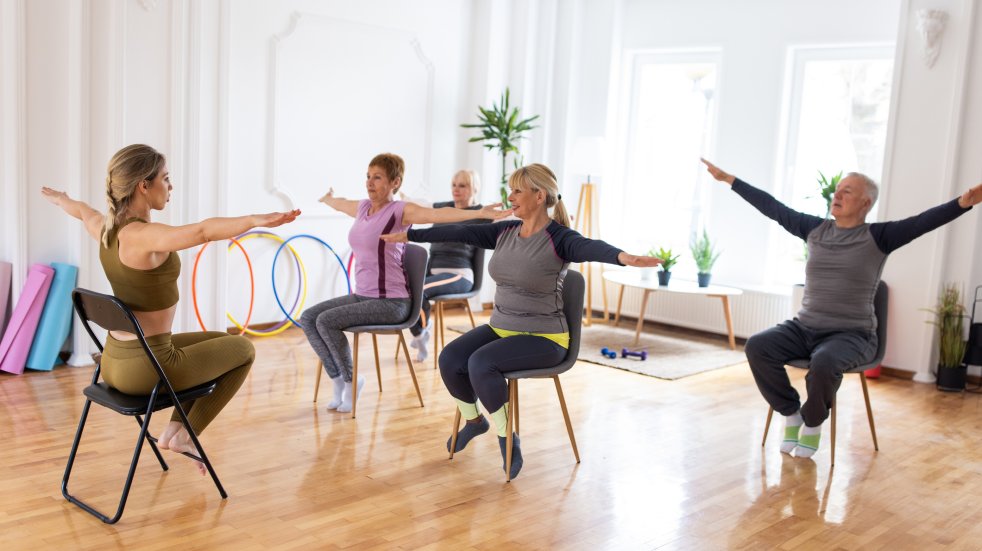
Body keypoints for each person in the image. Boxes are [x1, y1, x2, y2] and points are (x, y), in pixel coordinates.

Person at [381, 163, 662, 478]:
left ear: (539, 196)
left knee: (480, 364)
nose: (510, 196)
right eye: (511, 189)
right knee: (450, 359)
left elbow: (590, 247)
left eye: (517, 190)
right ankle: (475, 421)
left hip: (546, 339)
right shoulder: (505, 231)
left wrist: (624, 257)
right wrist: (410, 234)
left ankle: (507, 440)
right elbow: (460, 231)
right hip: (501, 327)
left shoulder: (559, 238)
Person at [42, 144, 299, 474]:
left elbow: (81, 210)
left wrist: (61, 198)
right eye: (166, 178)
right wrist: (253, 219)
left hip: (113, 362)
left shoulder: (106, 228)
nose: (171, 186)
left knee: (218, 340)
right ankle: (185, 435)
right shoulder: (143, 235)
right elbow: (202, 231)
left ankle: (175, 432)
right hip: (148, 367)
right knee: (243, 349)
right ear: (143, 186)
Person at [701, 158, 981, 459]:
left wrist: (962, 203)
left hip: (852, 334)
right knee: (758, 347)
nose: (838, 195)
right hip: (804, 327)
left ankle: (812, 421)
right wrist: (731, 180)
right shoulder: (815, 229)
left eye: (847, 191)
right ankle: (791, 413)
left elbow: (922, 222)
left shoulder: (879, 236)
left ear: (865, 202)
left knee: (823, 364)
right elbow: (774, 208)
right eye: (838, 190)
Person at [304, 153, 511, 414]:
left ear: (395, 182)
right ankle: (338, 381)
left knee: (325, 321)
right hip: (363, 295)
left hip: (391, 302)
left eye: (377, 177)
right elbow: (341, 203)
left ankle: (351, 381)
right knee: (309, 317)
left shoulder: (400, 211)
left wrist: (479, 212)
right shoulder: (362, 208)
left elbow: (439, 213)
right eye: (368, 177)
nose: (370, 183)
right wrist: (327, 199)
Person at [406, 169, 490, 362]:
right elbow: (417, 206)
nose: (456, 189)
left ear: (474, 188)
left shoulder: (481, 214)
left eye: (463, 185)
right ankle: (421, 331)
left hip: (459, 274)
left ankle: (420, 333)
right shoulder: (443, 208)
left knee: (419, 290)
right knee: (402, 288)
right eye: (454, 184)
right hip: (432, 268)